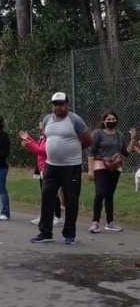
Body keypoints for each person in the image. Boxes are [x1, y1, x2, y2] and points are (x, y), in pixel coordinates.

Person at [31, 93, 93, 245]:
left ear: (67, 105)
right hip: (51, 166)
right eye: (55, 104)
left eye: (61, 104)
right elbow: (47, 138)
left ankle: (69, 234)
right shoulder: (47, 120)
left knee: (71, 200)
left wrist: (73, 150)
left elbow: (88, 140)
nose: (58, 107)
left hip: (71, 167)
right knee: (47, 195)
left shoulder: (74, 120)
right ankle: (45, 232)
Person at [87, 111, 133, 233]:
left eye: (113, 119)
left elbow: (126, 152)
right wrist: (90, 169)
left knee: (109, 194)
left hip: (115, 167)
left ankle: (110, 222)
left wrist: (133, 139)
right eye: (109, 119)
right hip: (100, 165)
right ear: (104, 121)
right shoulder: (98, 133)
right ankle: (95, 222)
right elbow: (91, 151)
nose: (111, 121)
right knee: (100, 192)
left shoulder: (120, 135)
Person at [21, 123, 64, 227]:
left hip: (49, 168)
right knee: (45, 194)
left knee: (52, 193)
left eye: (42, 125)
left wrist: (29, 141)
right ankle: (45, 215)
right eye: (40, 125)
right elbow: (37, 150)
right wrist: (28, 141)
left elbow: (42, 150)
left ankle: (57, 217)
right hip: (42, 168)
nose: (40, 127)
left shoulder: (51, 138)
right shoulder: (43, 137)